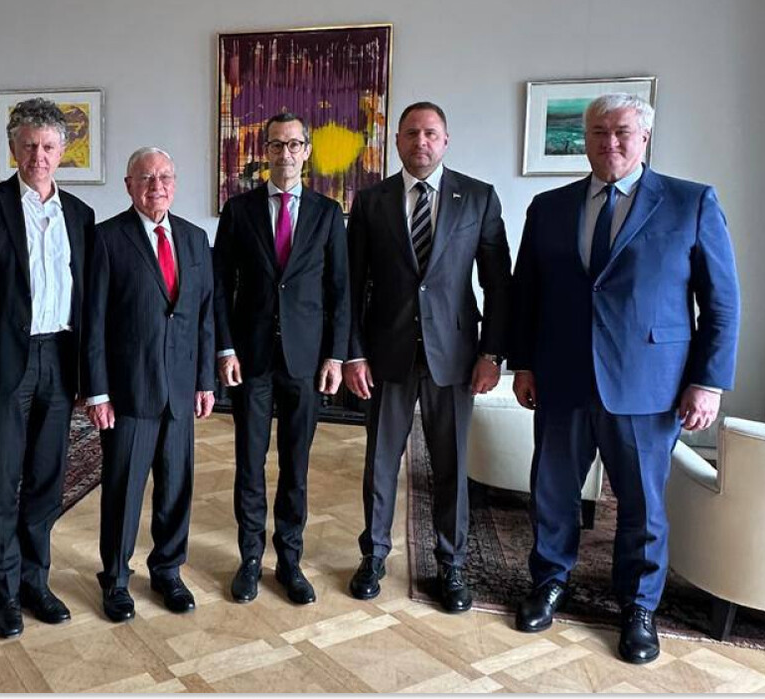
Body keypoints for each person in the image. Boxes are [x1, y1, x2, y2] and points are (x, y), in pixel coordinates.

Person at [509, 93, 740, 664]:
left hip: (648, 385)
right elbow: (525, 293)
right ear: (584, 139)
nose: (608, 142)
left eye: (621, 132)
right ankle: (550, 581)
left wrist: (707, 382)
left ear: (645, 137)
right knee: (552, 492)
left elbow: (721, 303)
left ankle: (638, 607)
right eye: (597, 132)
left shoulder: (690, 202)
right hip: (562, 378)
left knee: (641, 505)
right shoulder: (549, 206)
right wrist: (524, 363)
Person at [343, 102, 512, 612]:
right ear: (397, 141)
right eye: (412, 133)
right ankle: (374, 555)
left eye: (431, 133)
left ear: (445, 140)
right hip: (386, 353)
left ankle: (451, 564)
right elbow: (351, 285)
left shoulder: (478, 197)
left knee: (451, 464)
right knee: (380, 462)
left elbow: (498, 283)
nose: (421, 141)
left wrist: (492, 353)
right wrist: (353, 355)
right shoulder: (370, 201)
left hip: (455, 355)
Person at [0, 98, 96, 639]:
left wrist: (88, 377)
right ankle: (4, 591)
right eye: (30, 145)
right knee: (3, 479)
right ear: (13, 148)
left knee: (46, 480)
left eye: (49, 146)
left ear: (63, 151)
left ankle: (36, 581)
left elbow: (88, 300)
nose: (39, 156)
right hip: (3, 365)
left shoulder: (80, 215)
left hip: (60, 359)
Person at [213, 113, 349, 605]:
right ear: (265, 152)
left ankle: (289, 560)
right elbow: (219, 285)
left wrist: (336, 356)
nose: (285, 153)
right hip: (251, 358)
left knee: (296, 466)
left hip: (306, 361)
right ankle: (250, 559)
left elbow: (340, 291)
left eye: (293, 145)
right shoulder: (239, 210)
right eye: (276, 145)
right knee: (250, 464)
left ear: (306, 152)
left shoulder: (328, 213)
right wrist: (225, 348)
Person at [84, 147, 215, 622]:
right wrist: (97, 391)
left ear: (175, 183)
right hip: (128, 392)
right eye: (145, 178)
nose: (155, 186)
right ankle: (116, 579)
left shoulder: (196, 239)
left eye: (164, 177)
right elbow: (93, 320)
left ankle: (167, 571)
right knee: (123, 491)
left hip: (180, 389)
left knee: (177, 486)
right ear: (129, 186)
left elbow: (204, 316)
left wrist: (205, 381)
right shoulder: (105, 239)